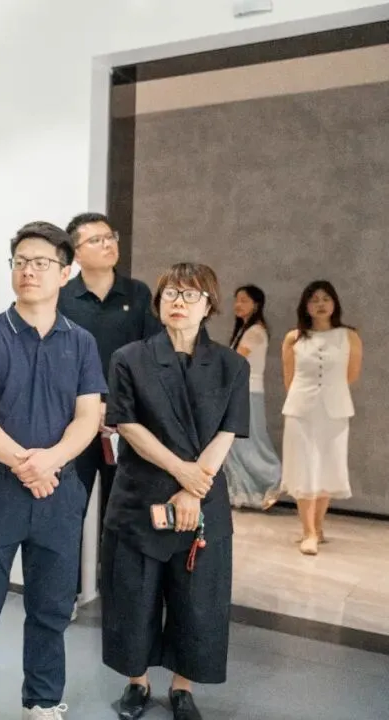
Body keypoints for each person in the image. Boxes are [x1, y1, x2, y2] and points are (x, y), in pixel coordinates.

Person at [0, 222, 106, 720]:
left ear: (65, 272)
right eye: (20, 262)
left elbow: (89, 417)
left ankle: (42, 699)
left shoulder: (81, 341)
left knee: (51, 607)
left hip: (59, 490)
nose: (28, 272)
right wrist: (26, 464)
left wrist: (49, 462)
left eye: (40, 263)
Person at [101, 263, 249, 720]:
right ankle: (137, 683)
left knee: (199, 601)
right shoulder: (129, 357)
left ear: (209, 305)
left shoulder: (231, 365)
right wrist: (182, 472)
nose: (178, 302)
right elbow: (127, 424)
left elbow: (228, 431)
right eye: (170, 294)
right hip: (141, 493)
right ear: (158, 302)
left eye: (190, 295)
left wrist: (193, 488)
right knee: (133, 595)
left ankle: (183, 688)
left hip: (202, 496)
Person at [58, 212, 160, 615]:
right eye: (96, 240)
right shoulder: (63, 298)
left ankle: (120, 595)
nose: (108, 244)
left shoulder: (138, 294)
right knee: (69, 508)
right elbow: (57, 362)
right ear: (76, 253)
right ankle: (64, 594)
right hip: (74, 422)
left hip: (124, 424)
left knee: (122, 511)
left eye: (110, 236)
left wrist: (117, 409)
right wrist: (88, 408)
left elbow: (150, 358)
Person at [281, 280, 362, 556]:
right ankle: (308, 532)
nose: (320, 304)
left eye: (326, 298)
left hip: (335, 410)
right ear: (305, 306)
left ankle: (318, 526)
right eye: (314, 299)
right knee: (303, 468)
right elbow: (289, 378)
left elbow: (351, 374)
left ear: (335, 303)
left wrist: (328, 391)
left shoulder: (349, 336)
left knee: (328, 466)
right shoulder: (294, 338)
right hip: (301, 411)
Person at [224, 285, 282, 510]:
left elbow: (236, 361)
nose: (238, 305)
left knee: (249, 443)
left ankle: (276, 478)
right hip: (242, 391)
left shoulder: (254, 331)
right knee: (238, 445)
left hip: (247, 392)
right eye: (237, 300)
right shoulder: (245, 330)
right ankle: (244, 492)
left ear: (256, 305)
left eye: (244, 300)